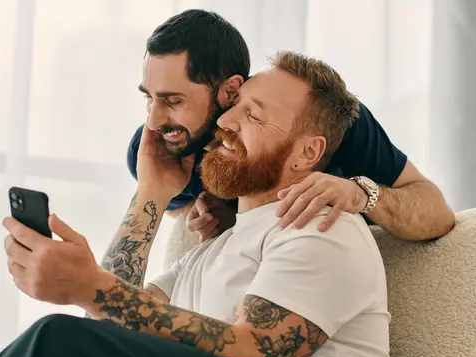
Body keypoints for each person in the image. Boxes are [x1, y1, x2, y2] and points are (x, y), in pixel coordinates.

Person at [0, 50, 388, 357]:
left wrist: (92, 287)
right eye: (233, 106)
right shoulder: (211, 249)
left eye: (253, 117)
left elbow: (260, 350)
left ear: (306, 153)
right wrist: (151, 191)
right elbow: (110, 331)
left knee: (57, 342)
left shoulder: (322, 225)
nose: (224, 122)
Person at [126, 9, 454, 244]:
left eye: (173, 101)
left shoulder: (321, 117)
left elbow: (437, 213)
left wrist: (359, 194)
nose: (154, 121)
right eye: (148, 98)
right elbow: (177, 205)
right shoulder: (161, 143)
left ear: (230, 91)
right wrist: (224, 206)